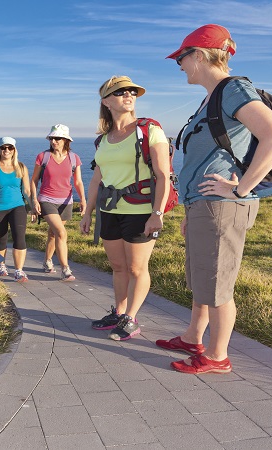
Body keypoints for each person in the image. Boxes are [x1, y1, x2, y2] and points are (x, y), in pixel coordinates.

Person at [156, 24, 272, 373]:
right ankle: (192, 337)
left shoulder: (233, 90)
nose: (181, 66)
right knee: (202, 276)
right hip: (205, 206)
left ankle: (217, 356)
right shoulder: (213, 95)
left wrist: (240, 188)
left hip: (222, 207)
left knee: (217, 283)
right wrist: (191, 207)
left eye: (181, 59)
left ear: (198, 55)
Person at [79, 76, 172, 341]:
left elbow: (163, 175)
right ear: (106, 101)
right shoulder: (103, 140)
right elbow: (97, 178)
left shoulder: (149, 130)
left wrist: (157, 213)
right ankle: (119, 313)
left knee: (136, 269)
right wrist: (88, 213)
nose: (128, 95)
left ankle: (131, 319)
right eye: (120, 92)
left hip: (141, 210)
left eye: (131, 91)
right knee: (118, 266)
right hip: (110, 211)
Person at [30, 124, 86, 281]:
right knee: (61, 233)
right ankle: (65, 269)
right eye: (52, 138)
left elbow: (78, 182)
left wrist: (83, 199)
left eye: (57, 138)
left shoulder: (74, 158)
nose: (54, 141)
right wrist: (34, 200)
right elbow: (33, 180)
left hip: (66, 202)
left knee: (53, 234)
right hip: (46, 200)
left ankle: (47, 261)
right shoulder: (43, 157)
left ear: (66, 140)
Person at [0, 137, 37, 282]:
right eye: (3, 148)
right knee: (1, 239)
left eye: (10, 148)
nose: (6, 150)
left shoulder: (21, 167)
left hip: (17, 206)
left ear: (14, 150)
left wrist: (32, 208)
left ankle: (19, 271)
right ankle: (1, 265)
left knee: (19, 237)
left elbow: (26, 190)